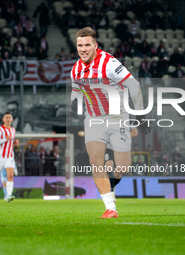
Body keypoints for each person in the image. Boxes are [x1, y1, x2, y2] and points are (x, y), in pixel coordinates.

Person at [70, 27, 150, 218]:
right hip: (94, 118)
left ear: (95, 45)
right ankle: (110, 208)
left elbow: (133, 84)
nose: (83, 49)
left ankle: (112, 179)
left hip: (117, 116)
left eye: (87, 45)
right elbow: (75, 91)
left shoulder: (109, 63)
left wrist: (140, 115)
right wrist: (75, 102)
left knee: (122, 167)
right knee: (94, 159)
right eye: (80, 45)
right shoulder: (76, 69)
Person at [105, 127, 138, 202]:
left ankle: (112, 189)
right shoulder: (106, 118)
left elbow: (135, 132)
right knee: (109, 167)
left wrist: (121, 137)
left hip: (121, 148)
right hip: (109, 148)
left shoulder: (126, 119)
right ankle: (110, 192)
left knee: (119, 172)